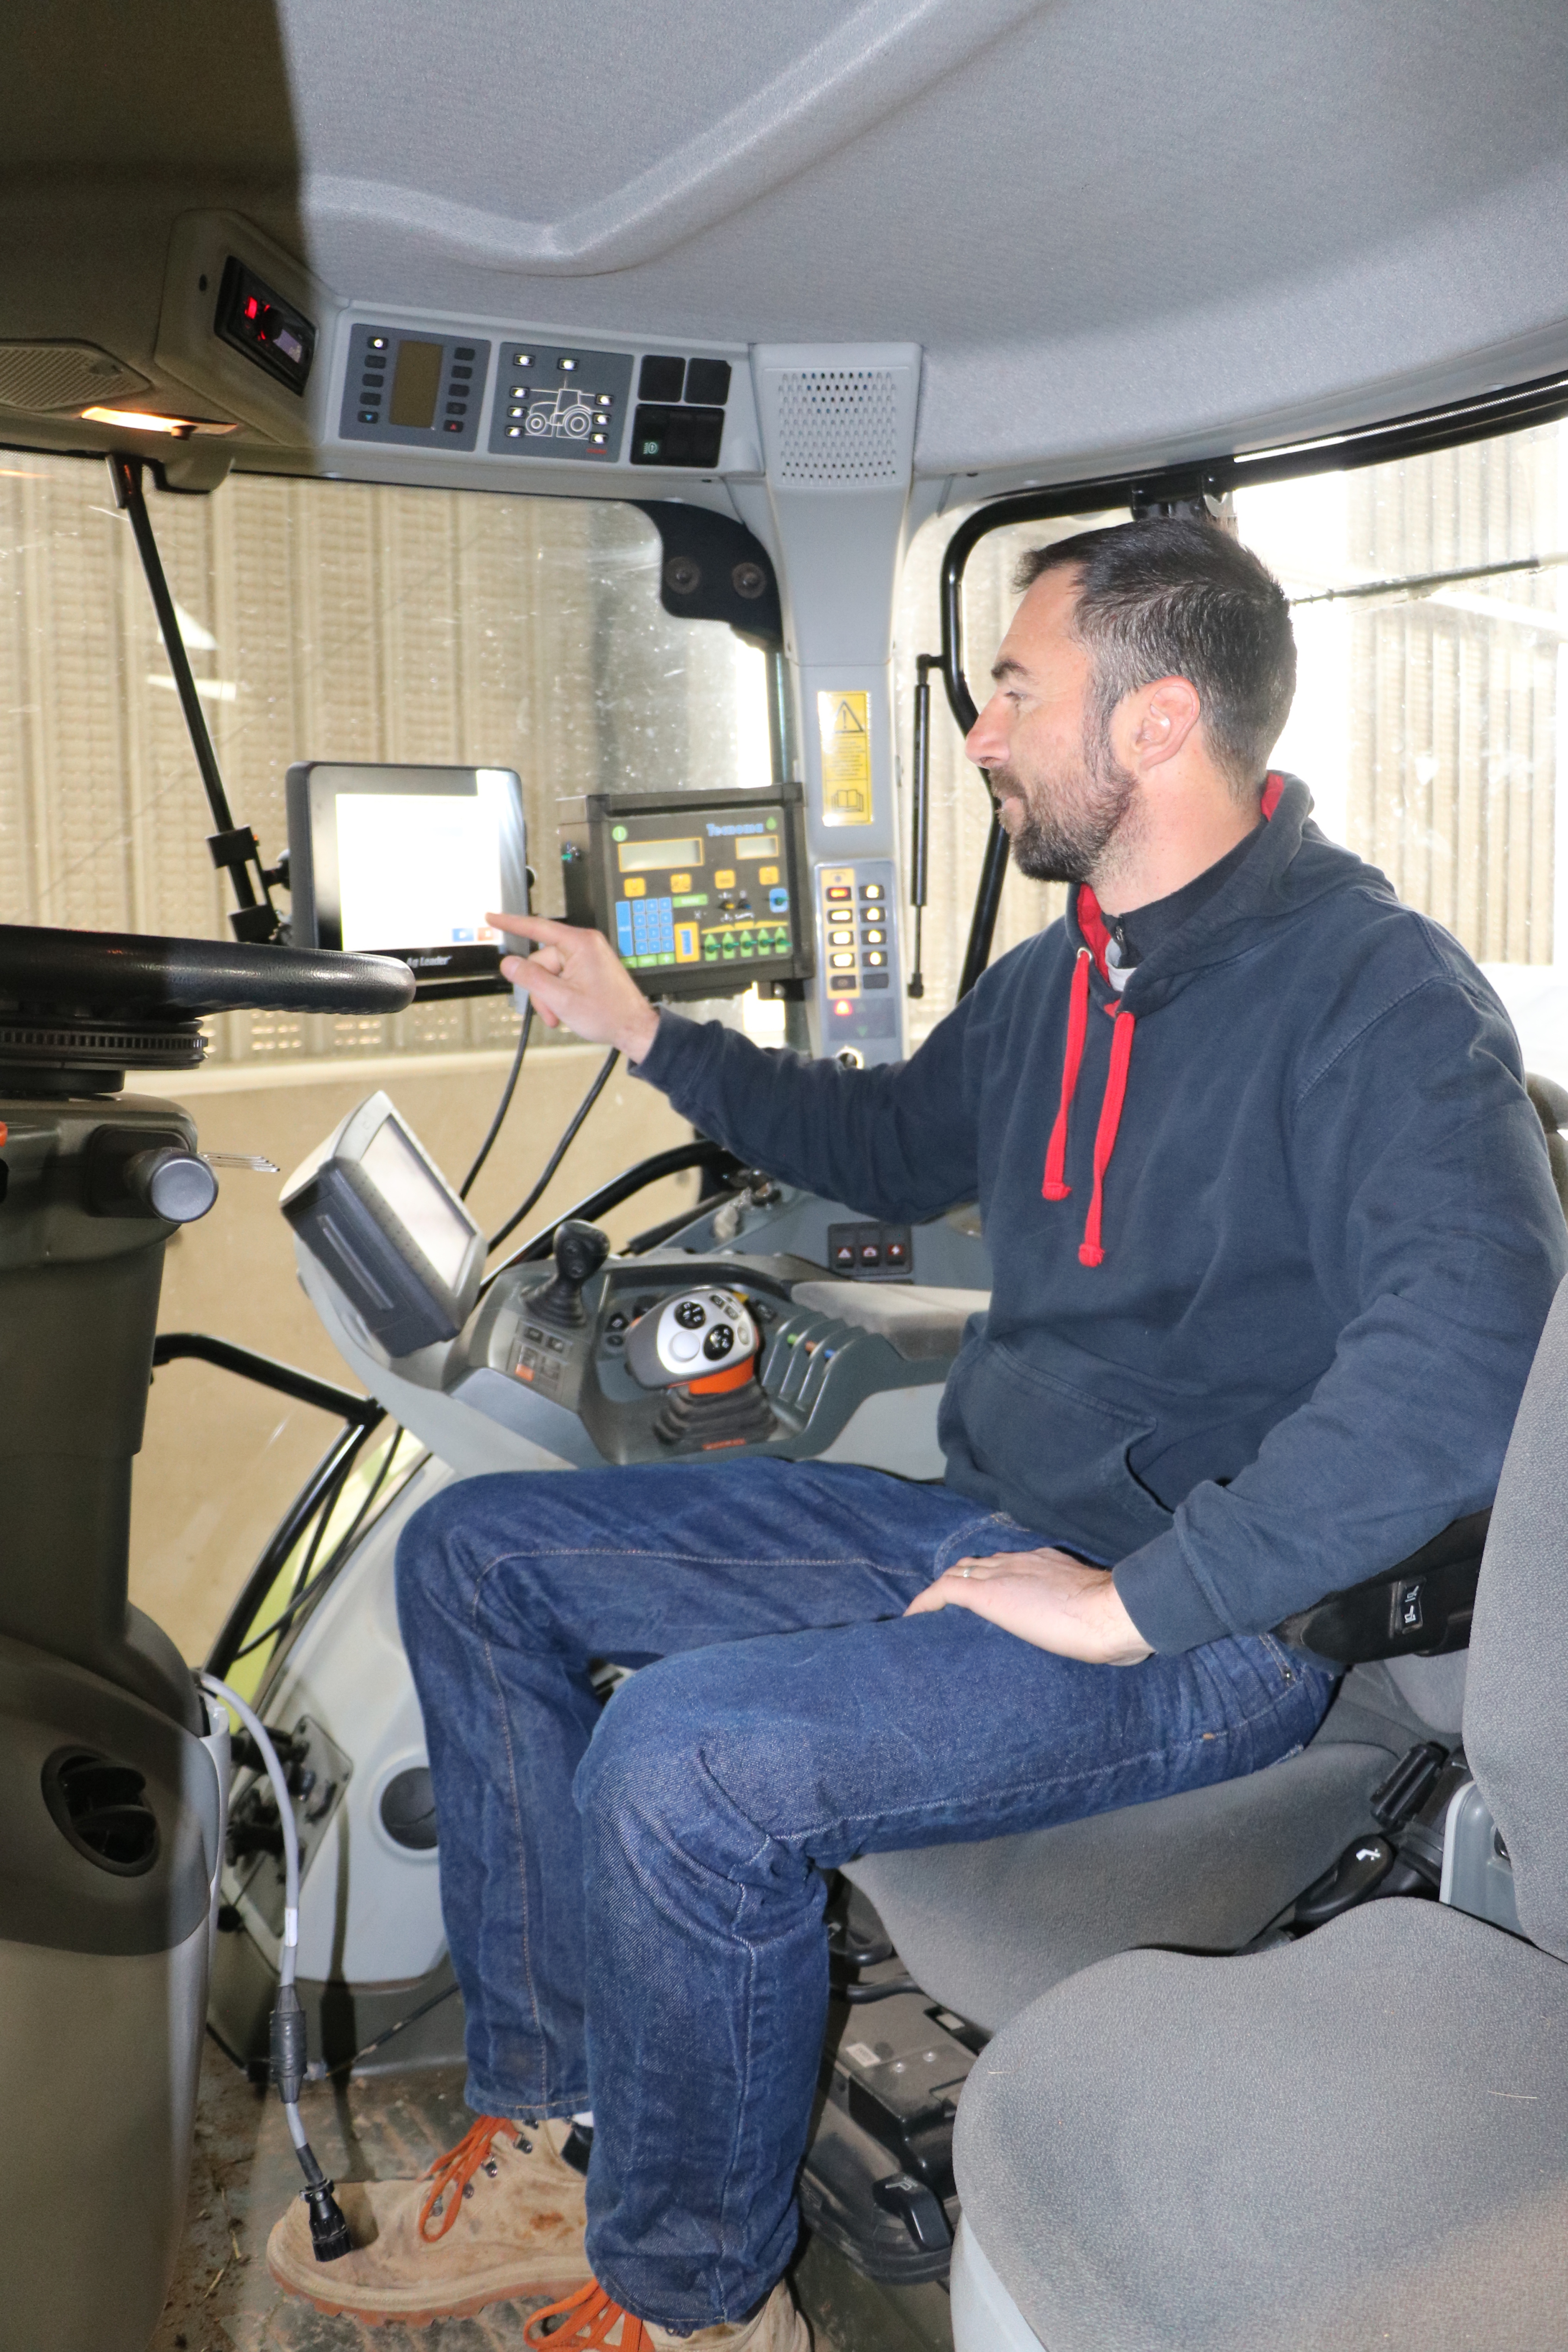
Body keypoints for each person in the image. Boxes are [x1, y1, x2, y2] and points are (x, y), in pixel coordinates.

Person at [267, 519, 1567, 2347]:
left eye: (1015, 688)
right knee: (476, 1557)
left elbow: (1470, 1367)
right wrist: (647, 1027)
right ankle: (560, 2110)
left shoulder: (1379, 998)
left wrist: (1134, 1601)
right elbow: (882, 1145)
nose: (976, 732)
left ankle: (700, 2292)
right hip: (978, 1528)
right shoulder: (1063, 978)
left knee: (684, 1758)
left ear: (1153, 721)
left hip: (1206, 1632)